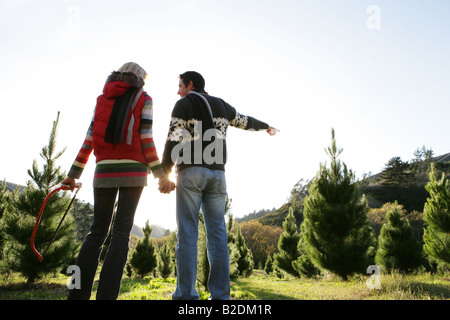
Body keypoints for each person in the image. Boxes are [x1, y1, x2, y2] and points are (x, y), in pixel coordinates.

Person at [63, 62, 175, 300]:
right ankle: (107, 296)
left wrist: (73, 175)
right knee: (121, 232)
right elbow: (146, 138)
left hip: (103, 171)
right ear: (140, 78)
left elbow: (89, 139)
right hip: (133, 173)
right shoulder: (144, 98)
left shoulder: (101, 99)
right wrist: (161, 175)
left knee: (96, 233)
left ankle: (76, 294)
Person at [161, 71, 278, 300]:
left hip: (191, 172)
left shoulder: (183, 104)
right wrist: (265, 126)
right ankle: (221, 297)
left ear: (190, 84)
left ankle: (186, 296)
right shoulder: (222, 105)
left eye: (180, 85)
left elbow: (173, 137)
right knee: (217, 235)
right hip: (217, 175)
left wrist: (163, 174)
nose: (178, 90)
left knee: (187, 234)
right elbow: (244, 121)